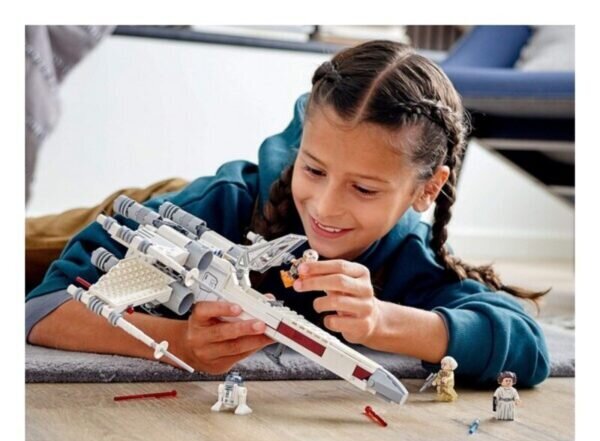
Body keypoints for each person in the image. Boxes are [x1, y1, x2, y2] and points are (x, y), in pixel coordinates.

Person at [26, 40, 550, 386]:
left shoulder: (408, 252)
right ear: (300, 150)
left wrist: (383, 321)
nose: (326, 207)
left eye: (364, 188)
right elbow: (42, 306)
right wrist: (179, 341)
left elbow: (527, 347)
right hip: (154, 208)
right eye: (314, 170)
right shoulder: (221, 203)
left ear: (426, 189)